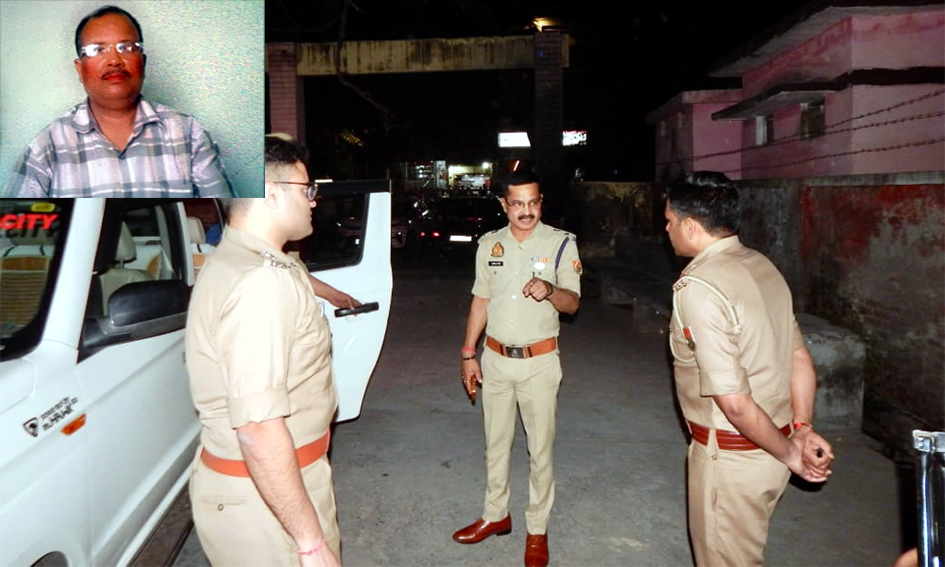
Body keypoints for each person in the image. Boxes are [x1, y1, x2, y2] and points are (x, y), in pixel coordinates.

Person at [185, 138, 347, 567]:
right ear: (271, 193)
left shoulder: (241, 257)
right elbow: (258, 428)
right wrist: (310, 543)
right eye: (306, 189)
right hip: (267, 504)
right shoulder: (260, 282)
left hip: (267, 488)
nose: (313, 200)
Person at [664, 172, 835, 566]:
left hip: (732, 462)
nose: (666, 229)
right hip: (772, 449)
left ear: (690, 226)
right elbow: (799, 359)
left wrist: (792, 454)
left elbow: (736, 404)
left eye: (670, 221)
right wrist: (801, 428)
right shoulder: (761, 265)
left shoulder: (700, 288)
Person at [454, 170, 582, 567]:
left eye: (533, 202)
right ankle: (496, 515)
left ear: (541, 202)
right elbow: (481, 300)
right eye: (517, 204)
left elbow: (573, 304)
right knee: (495, 443)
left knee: (539, 449)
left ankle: (537, 529)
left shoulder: (561, 243)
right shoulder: (489, 245)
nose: (526, 211)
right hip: (494, 360)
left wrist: (551, 290)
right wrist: (468, 353)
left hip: (539, 363)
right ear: (504, 205)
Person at [2, 5, 232, 198]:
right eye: (97, 50)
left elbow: (224, 220)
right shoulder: (46, 147)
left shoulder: (189, 134)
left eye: (126, 48)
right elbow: (17, 227)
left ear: (143, 63)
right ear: (80, 69)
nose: (114, 60)